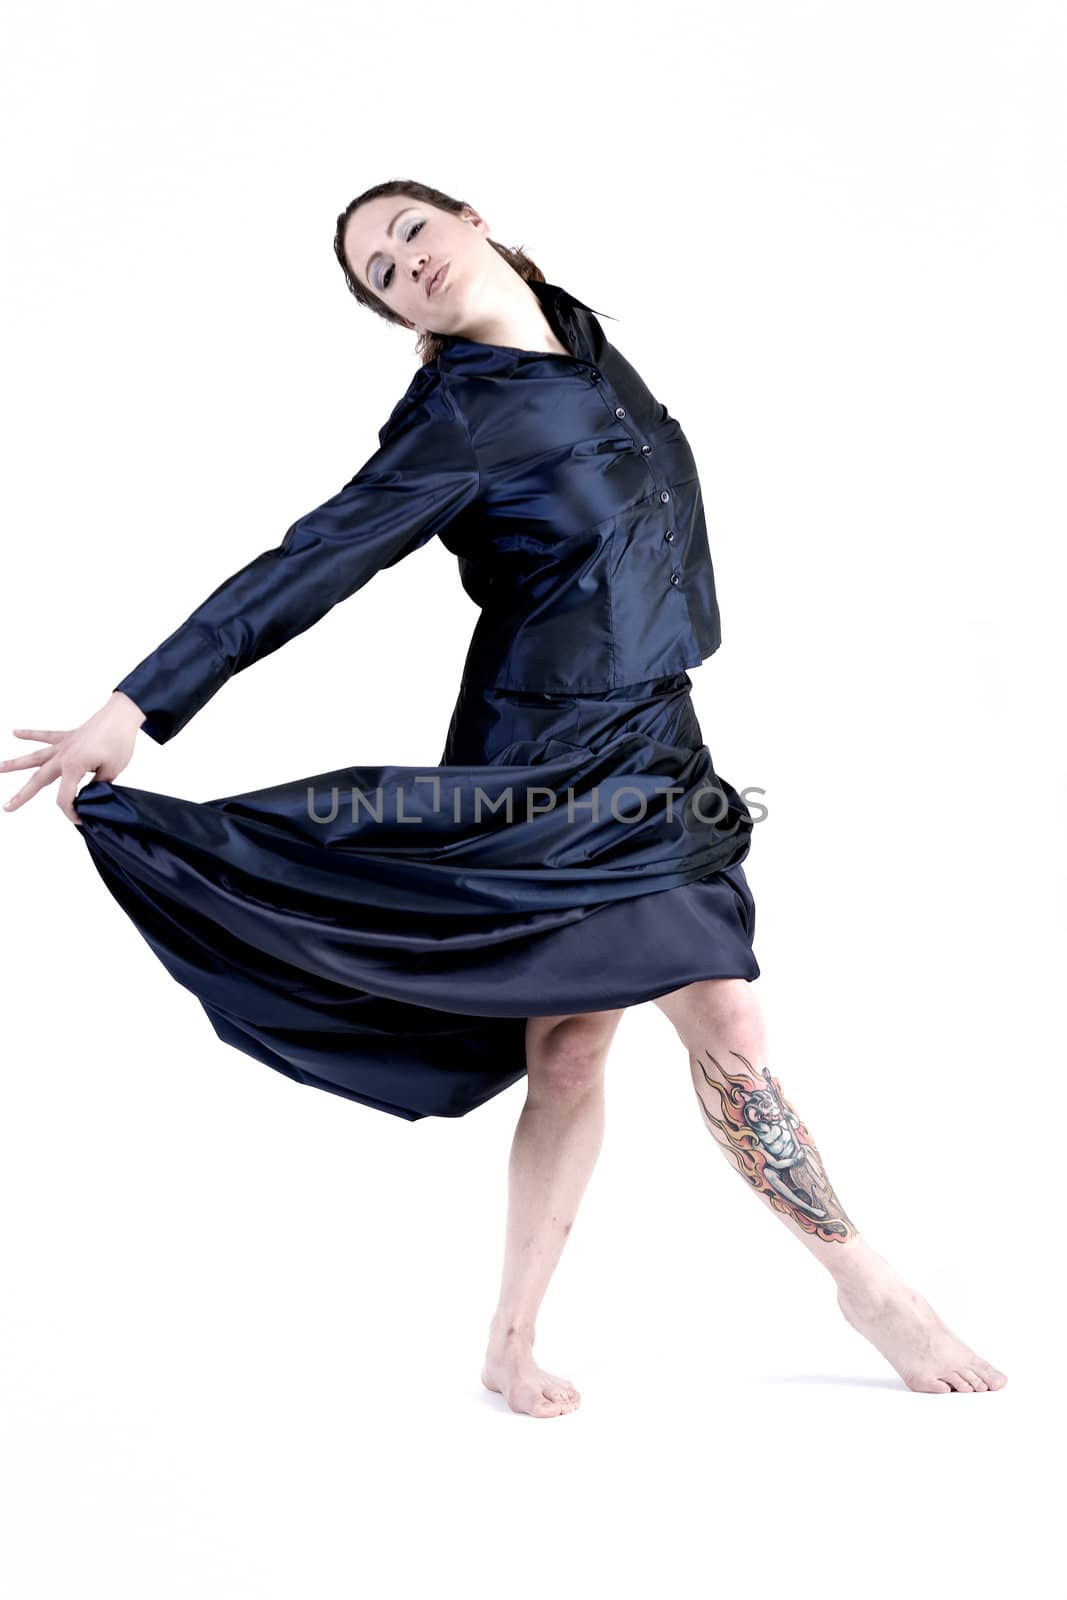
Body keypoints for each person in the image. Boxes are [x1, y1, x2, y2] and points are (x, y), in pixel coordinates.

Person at [1, 179, 1006, 1415]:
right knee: (585, 1052)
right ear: (387, 312)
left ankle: (824, 1294)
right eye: (378, 271)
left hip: (657, 739)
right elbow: (308, 560)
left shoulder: (580, 335)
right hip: (543, 761)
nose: (403, 264)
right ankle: (802, 1299)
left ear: (470, 218)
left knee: (688, 1034)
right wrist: (138, 704)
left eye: (409, 231)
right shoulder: (456, 417)